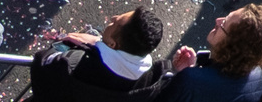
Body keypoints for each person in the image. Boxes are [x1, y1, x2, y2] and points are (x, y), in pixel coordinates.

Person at [26, 7, 171, 102]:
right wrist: (98, 43)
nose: (113, 18)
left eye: (116, 22)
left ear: (113, 44)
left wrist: (70, 45)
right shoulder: (150, 81)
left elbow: (42, 64)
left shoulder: (73, 64)